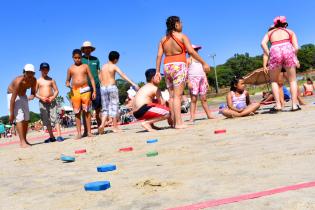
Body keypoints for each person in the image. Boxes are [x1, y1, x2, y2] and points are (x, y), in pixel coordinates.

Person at [156, 16, 210, 129]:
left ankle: (174, 121)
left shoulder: (162, 39)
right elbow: (190, 51)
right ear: (176, 24)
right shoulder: (182, 36)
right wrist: (204, 63)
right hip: (179, 65)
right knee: (177, 96)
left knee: (171, 96)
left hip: (167, 66)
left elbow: (159, 55)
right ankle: (179, 123)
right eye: (181, 23)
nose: (182, 24)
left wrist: (157, 71)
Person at [261, 16, 300, 112]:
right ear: (285, 24)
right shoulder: (290, 32)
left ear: (275, 24)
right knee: (292, 80)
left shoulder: (270, 33)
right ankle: (294, 105)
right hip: (288, 50)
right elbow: (297, 47)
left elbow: (262, 43)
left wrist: (269, 53)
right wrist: (295, 57)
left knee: (274, 81)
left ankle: (278, 105)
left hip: (275, 50)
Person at [98, 51, 139, 133]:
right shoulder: (113, 66)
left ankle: (102, 124)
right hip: (111, 87)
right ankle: (115, 127)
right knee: (114, 107)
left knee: (105, 108)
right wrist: (133, 84)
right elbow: (123, 75)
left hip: (103, 88)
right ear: (116, 59)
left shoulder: (103, 67)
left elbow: (99, 77)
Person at [66, 49, 96, 139]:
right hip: (75, 91)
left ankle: (89, 132)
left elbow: (91, 78)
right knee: (77, 113)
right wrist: (67, 84)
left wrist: (94, 91)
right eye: (75, 58)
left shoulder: (85, 66)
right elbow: (67, 80)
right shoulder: (70, 68)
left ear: (81, 57)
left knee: (87, 111)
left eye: (79, 57)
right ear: (72, 58)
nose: (77, 59)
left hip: (86, 90)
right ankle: (79, 133)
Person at [7, 64, 37, 148]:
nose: (30, 75)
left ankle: (25, 139)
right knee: (19, 117)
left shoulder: (34, 80)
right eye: (28, 73)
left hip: (23, 95)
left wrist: (32, 95)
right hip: (12, 95)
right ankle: (22, 142)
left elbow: (33, 92)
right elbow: (13, 99)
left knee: (27, 117)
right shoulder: (18, 81)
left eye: (32, 73)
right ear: (24, 72)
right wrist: (11, 114)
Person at [36, 62, 64, 143]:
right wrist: (41, 98)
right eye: (43, 69)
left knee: (55, 118)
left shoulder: (51, 80)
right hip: (42, 102)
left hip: (51, 101)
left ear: (48, 70)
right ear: (40, 70)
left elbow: (56, 91)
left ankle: (59, 136)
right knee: (46, 119)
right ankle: (51, 137)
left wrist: (52, 97)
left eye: (46, 69)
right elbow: (35, 93)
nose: (45, 70)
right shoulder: (38, 81)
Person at [187, 44, 215, 121]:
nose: (196, 51)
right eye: (194, 50)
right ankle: (192, 117)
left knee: (204, 99)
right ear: (189, 51)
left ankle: (209, 115)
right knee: (193, 99)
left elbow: (204, 72)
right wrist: (188, 82)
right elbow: (185, 72)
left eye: (197, 50)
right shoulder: (188, 60)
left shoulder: (201, 61)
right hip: (193, 80)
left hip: (202, 80)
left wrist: (206, 81)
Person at [81, 41, 102, 136]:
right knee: (85, 110)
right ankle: (86, 131)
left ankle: (100, 128)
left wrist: (101, 83)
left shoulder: (96, 59)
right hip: (84, 87)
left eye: (89, 48)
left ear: (91, 49)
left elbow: (99, 72)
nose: (87, 49)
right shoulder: (80, 59)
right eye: (86, 48)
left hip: (96, 86)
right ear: (83, 49)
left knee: (98, 108)